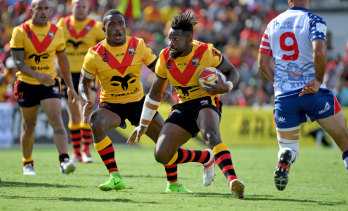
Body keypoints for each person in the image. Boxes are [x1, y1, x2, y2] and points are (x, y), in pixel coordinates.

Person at [79, 9, 214, 192]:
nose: (118, 28)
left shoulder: (138, 45)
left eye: (121, 24)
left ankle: (178, 179)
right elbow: (83, 83)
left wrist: (165, 89)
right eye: (112, 25)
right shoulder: (94, 54)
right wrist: (87, 99)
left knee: (164, 146)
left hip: (138, 103)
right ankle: (115, 177)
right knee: (96, 121)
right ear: (104, 29)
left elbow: (160, 69)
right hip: (111, 105)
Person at [258, 0, 348, 204]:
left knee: (289, 148)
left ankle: (286, 155)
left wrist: (279, 84)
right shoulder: (314, 20)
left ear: (289, 0)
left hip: (285, 98)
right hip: (313, 93)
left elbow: (262, 62)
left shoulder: (272, 24)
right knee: (345, 141)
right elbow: (319, 52)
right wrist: (318, 81)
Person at [128, 11, 245, 199]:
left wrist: (227, 86)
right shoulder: (165, 57)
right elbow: (155, 93)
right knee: (162, 154)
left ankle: (233, 180)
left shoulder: (206, 52)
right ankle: (206, 158)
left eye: (176, 39)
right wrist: (143, 124)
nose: (171, 43)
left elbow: (232, 72)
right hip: (182, 106)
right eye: (170, 38)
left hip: (205, 100)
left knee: (210, 135)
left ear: (189, 39)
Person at [10, 0, 79, 175]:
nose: (43, 12)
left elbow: (63, 60)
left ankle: (64, 160)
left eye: (46, 8)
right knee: (29, 125)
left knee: (56, 119)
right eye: (39, 8)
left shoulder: (57, 32)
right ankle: (27, 163)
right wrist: (37, 75)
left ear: (50, 10)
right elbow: (18, 61)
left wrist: (70, 86)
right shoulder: (20, 31)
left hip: (49, 83)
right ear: (31, 10)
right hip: (26, 83)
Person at [57, 0, 105, 163]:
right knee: (74, 115)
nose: (80, 8)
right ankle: (77, 153)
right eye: (77, 5)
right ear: (72, 6)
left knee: (87, 110)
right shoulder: (62, 24)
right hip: (67, 74)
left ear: (88, 7)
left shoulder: (96, 26)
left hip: (88, 73)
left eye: (83, 5)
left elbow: (104, 48)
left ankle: (86, 151)